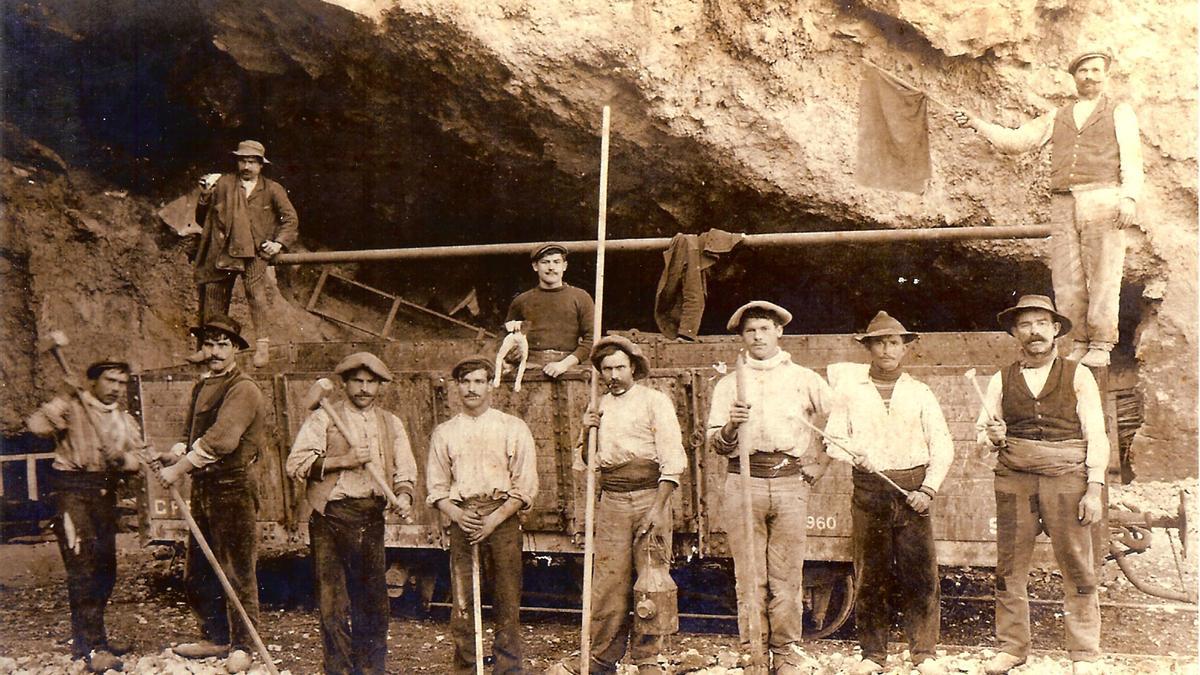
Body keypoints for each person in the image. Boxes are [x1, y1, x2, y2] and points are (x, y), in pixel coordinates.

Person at [954, 48, 1143, 368]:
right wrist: (975, 123)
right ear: (1074, 77)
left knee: (1103, 274)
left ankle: (1101, 342)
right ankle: (1079, 340)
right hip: (1063, 201)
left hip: (1103, 195)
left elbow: (1132, 158)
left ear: (1106, 75)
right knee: (1067, 276)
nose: (1090, 76)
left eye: (1096, 70)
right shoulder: (1059, 115)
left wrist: (1130, 197)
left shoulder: (1119, 111)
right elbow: (1016, 142)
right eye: (1083, 71)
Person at [975, 295, 1109, 675]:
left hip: (1067, 479)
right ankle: (1012, 648)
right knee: (1010, 567)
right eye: (1025, 325)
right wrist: (994, 436)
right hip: (1014, 479)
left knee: (1077, 564)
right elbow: (981, 437)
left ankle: (1083, 652)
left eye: (1041, 324)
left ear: (1054, 330)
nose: (1034, 331)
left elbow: (1096, 434)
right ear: (1015, 332)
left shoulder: (1078, 374)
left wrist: (1094, 487)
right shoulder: (1001, 378)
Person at [706, 301, 833, 674]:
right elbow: (716, 443)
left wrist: (819, 464)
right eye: (750, 331)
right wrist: (732, 425)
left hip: (790, 481)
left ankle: (787, 652)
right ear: (742, 338)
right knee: (749, 575)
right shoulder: (730, 383)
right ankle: (755, 653)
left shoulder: (803, 379)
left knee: (787, 575)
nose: (758, 336)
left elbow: (841, 420)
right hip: (743, 481)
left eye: (764, 328)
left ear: (779, 331)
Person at [823, 312, 954, 675]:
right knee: (871, 575)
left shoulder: (920, 392)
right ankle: (872, 655)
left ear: (905, 348)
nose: (886, 349)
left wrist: (927, 490)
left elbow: (943, 446)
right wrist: (854, 452)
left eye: (894, 342)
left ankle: (924, 654)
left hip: (913, 492)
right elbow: (832, 440)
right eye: (879, 342)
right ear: (868, 347)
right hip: (869, 491)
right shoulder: (850, 392)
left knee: (921, 575)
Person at [286, 352, 418, 675]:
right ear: (344, 384)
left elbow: (405, 470)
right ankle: (339, 671)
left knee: (373, 603)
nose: (363, 389)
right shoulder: (324, 418)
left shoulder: (391, 423)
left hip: (371, 517)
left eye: (370, 382)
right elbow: (295, 464)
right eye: (357, 381)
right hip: (331, 518)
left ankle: (371, 670)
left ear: (379, 387)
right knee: (333, 605)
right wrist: (342, 460)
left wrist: (403, 495)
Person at [156, 314, 269, 662]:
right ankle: (215, 636)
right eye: (209, 344)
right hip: (205, 485)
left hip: (233, 486)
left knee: (236, 569)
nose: (216, 351)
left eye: (223, 344)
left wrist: (179, 469)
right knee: (199, 569)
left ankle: (244, 647)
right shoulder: (203, 385)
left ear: (235, 348)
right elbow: (191, 434)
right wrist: (174, 453)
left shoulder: (243, 388)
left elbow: (222, 440)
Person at [575, 336, 686, 674]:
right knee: (609, 582)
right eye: (606, 368)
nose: (613, 374)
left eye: (620, 367)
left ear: (633, 368)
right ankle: (603, 656)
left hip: (650, 497)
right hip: (612, 501)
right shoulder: (597, 407)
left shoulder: (654, 401)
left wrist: (657, 508)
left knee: (651, 579)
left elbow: (672, 458)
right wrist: (588, 430)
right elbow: (587, 461)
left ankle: (647, 656)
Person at [27, 360, 147, 673]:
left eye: (121, 383)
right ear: (93, 381)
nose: (116, 389)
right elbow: (37, 426)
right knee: (83, 567)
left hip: (104, 493)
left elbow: (140, 457)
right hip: (71, 490)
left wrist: (122, 458)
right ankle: (93, 647)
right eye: (110, 381)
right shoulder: (73, 408)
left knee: (106, 569)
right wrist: (63, 397)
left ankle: (93, 640)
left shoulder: (121, 419)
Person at [426, 357, 539, 674]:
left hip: (501, 520)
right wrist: (457, 514)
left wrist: (494, 519)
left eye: (478, 381)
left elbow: (525, 485)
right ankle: (467, 667)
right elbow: (435, 488)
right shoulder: (445, 433)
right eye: (465, 382)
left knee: (506, 603)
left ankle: (507, 668)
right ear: (457, 386)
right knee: (463, 604)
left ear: (490, 385)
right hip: (463, 520)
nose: (472, 388)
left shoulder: (511, 428)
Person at [193, 140, 299, 367]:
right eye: (243, 160)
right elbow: (203, 220)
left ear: (261, 165)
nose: (247, 166)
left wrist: (278, 243)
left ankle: (263, 348)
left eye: (252, 161)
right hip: (223, 251)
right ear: (237, 162)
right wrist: (204, 197)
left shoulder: (272, 189)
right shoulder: (223, 184)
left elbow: (290, 220)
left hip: (255, 253)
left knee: (256, 294)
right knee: (214, 296)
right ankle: (207, 347)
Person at [504, 242, 595, 378]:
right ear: (535, 266)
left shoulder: (581, 297)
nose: (551, 267)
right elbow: (505, 334)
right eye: (545, 262)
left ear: (564, 266)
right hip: (529, 368)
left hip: (569, 368)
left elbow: (592, 339)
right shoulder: (522, 300)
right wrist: (507, 358)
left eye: (556, 262)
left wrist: (564, 364)